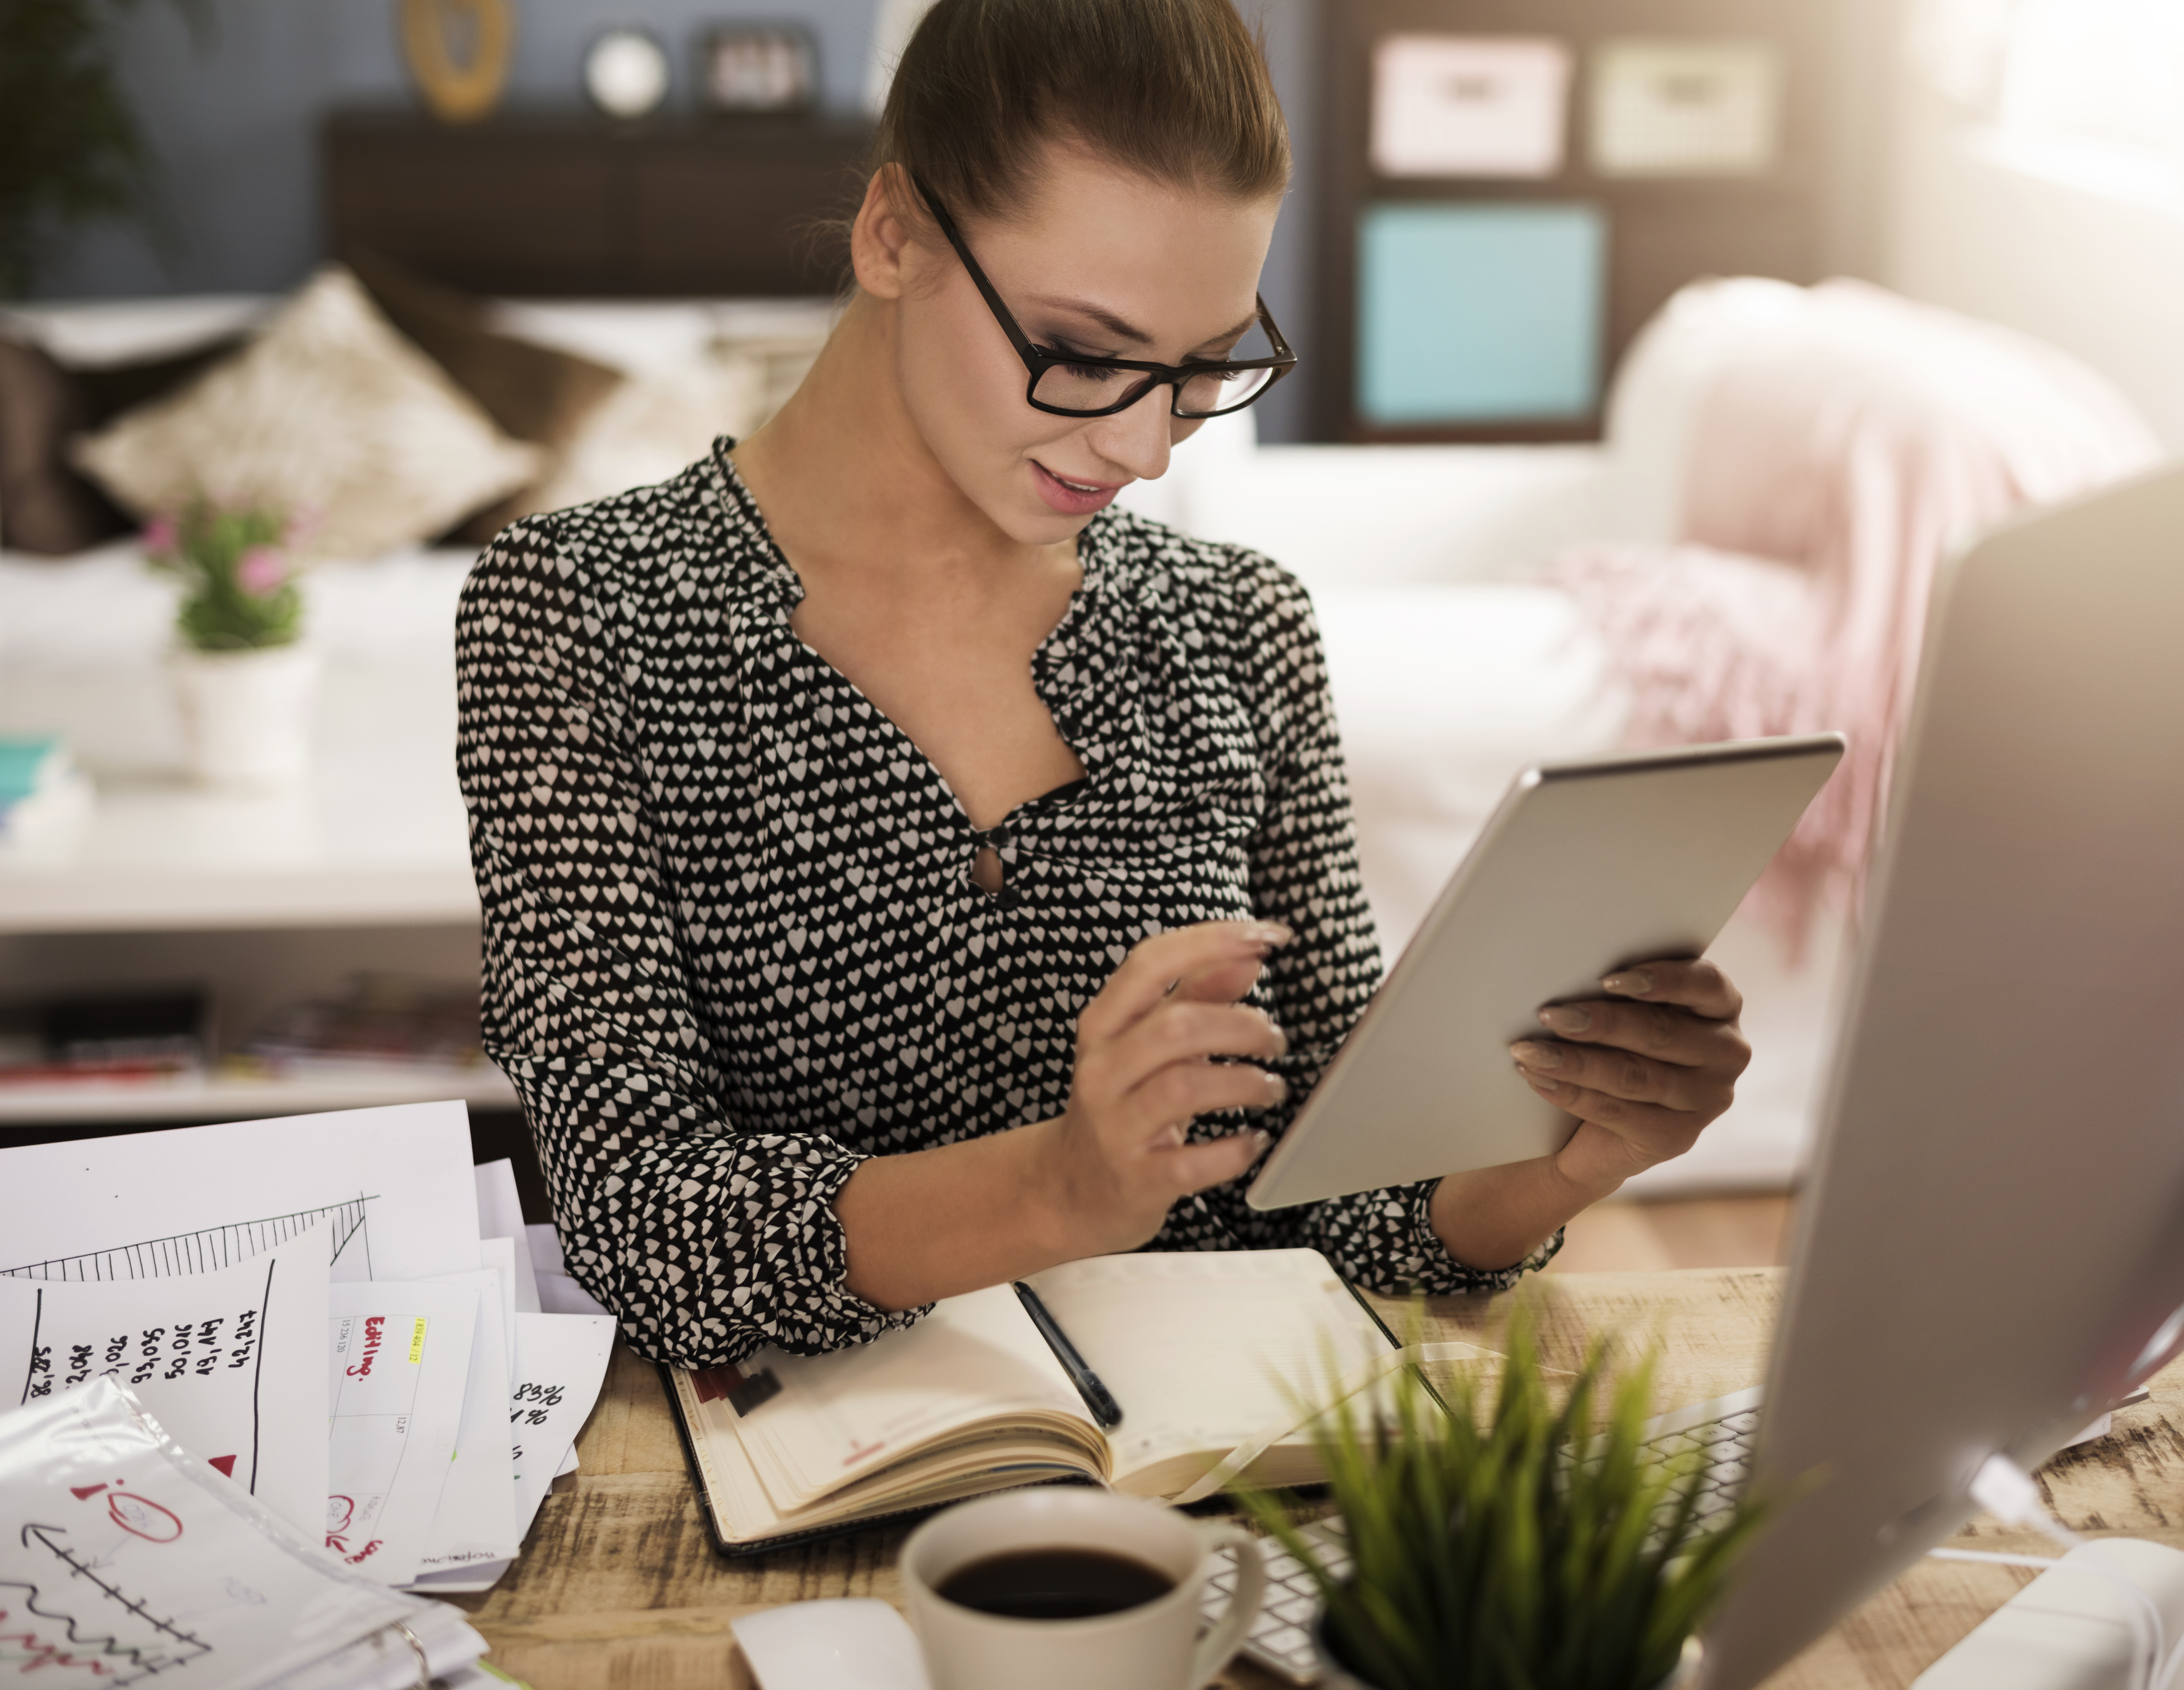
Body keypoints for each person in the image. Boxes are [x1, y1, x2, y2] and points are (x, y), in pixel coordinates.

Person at [455, 0, 1751, 1370]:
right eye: (1082, 353)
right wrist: (1059, 1188)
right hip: (829, 1471)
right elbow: (639, 1224)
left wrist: (1561, 1157)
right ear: (893, 235)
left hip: (1238, 1456)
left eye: (1203, 370)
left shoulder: (1238, 623)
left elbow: (1346, 1198)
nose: (1145, 448)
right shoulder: (576, 611)